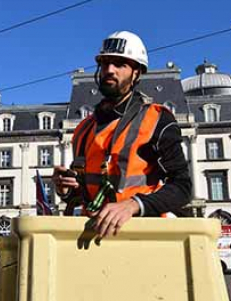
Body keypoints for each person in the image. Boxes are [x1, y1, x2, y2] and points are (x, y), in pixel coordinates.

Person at [53, 31, 192, 239]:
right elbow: (87, 196)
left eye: (120, 64)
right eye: (105, 63)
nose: (109, 70)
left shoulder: (157, 119)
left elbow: (182, 187)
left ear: (136, 72)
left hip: (140, 236)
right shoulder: (83, 129)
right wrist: (66, 190)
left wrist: (134, 205)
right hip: (92, 237)